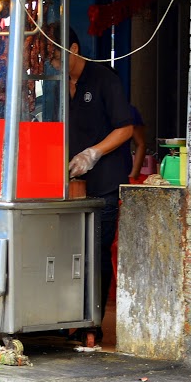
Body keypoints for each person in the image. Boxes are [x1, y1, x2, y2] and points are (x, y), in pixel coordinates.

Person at [65, 31, 135, 350]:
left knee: (96, 251)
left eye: (56, 57)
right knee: (67, 252)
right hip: (68, 185)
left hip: (103, 183)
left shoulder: (104, 78)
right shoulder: (56, 84)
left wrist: (93, 153)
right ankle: (63, 317)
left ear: (74, 48)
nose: (52, 64)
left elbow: (126, 128)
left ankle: (92, 323)